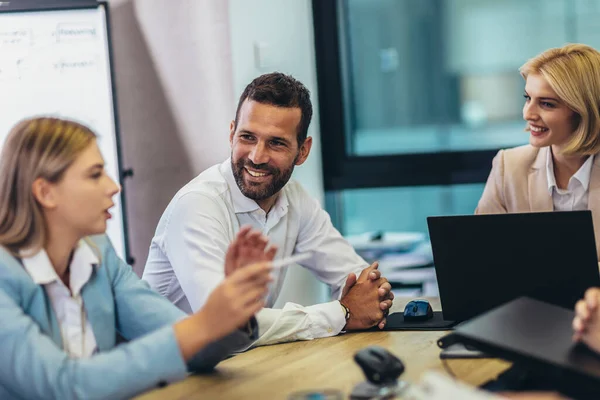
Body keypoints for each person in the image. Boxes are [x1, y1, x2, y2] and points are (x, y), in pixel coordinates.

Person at [0, 117, 275, 400]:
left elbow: (190, 348)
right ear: (45, 192)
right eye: (95, 175)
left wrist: (232, 311)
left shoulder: (98, 254)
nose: (113, 187)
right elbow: (64, 386)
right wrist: (203, 325)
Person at [143, 72, 393, 346]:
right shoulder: (197, 204)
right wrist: (342, 313)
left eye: (276, 143)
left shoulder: (294, 198)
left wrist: (372, 296)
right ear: (231, 134)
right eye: (247, 137)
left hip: (242, 368)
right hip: (175, 378)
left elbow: (356, 277)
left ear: (303, 151)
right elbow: (225, 325)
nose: (256, 156)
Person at [476, 44, 600, 259]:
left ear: (584, 111)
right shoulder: (509, 166)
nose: (528, 113)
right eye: (528, 98)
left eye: (546, 104)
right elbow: (481, 253)